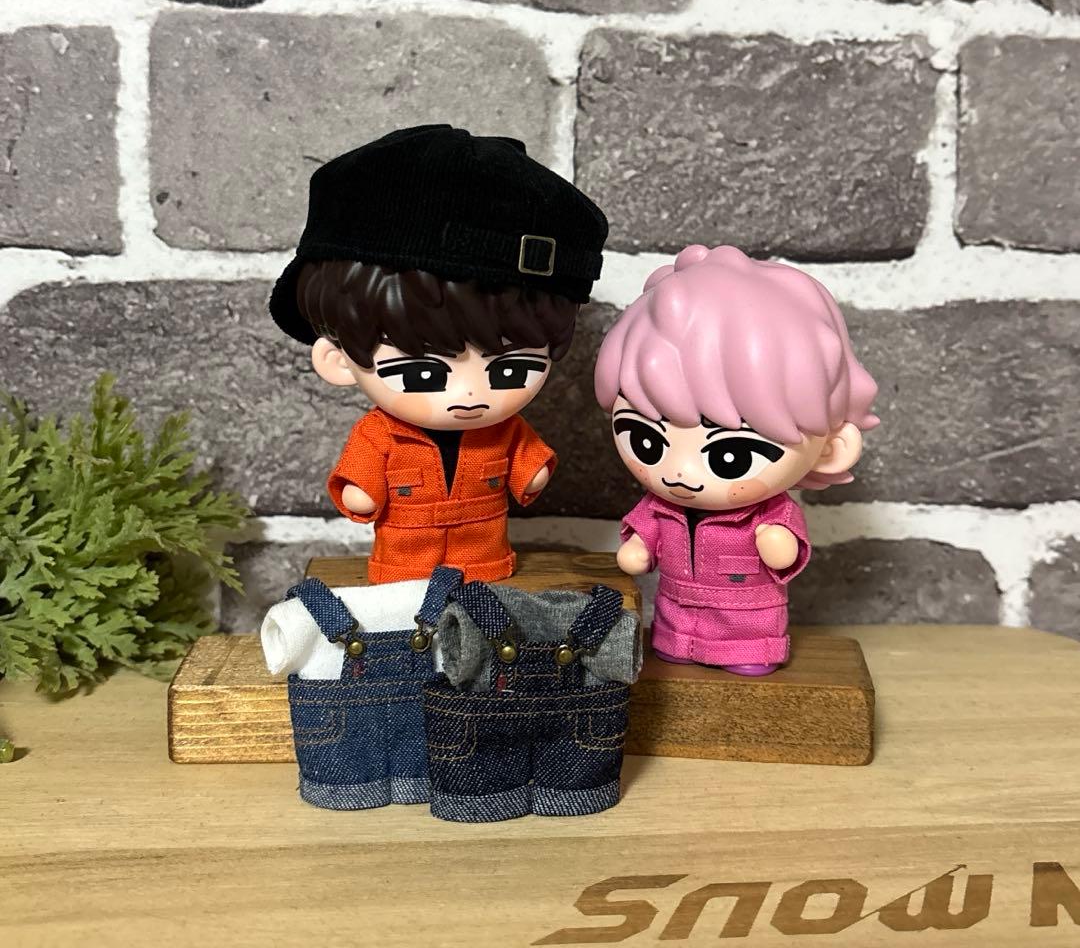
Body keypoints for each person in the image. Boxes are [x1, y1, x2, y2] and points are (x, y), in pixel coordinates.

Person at [270, 124, 608, 583]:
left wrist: (532, 472)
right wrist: (361, 491)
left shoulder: (504, 432)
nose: (469, 395)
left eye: (511, 371)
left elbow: (528, 459)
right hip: (406, 558)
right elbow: (361, 477)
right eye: (421, 374)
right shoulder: (380, 436)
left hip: (483, 552)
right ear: (338, 361)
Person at [593, 244, 878, 675]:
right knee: (673, 642)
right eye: (647, 441)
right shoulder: (661, 506)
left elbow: (785, 551)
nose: (682, 472)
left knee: (747, 643)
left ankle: (748, 653)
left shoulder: (768, 513)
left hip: (747, 612)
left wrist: (778, 544)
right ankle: (678, 644)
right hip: (676, 605)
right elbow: (644, 534)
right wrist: (639, 547)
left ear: (831, 448)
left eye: (731, 455)